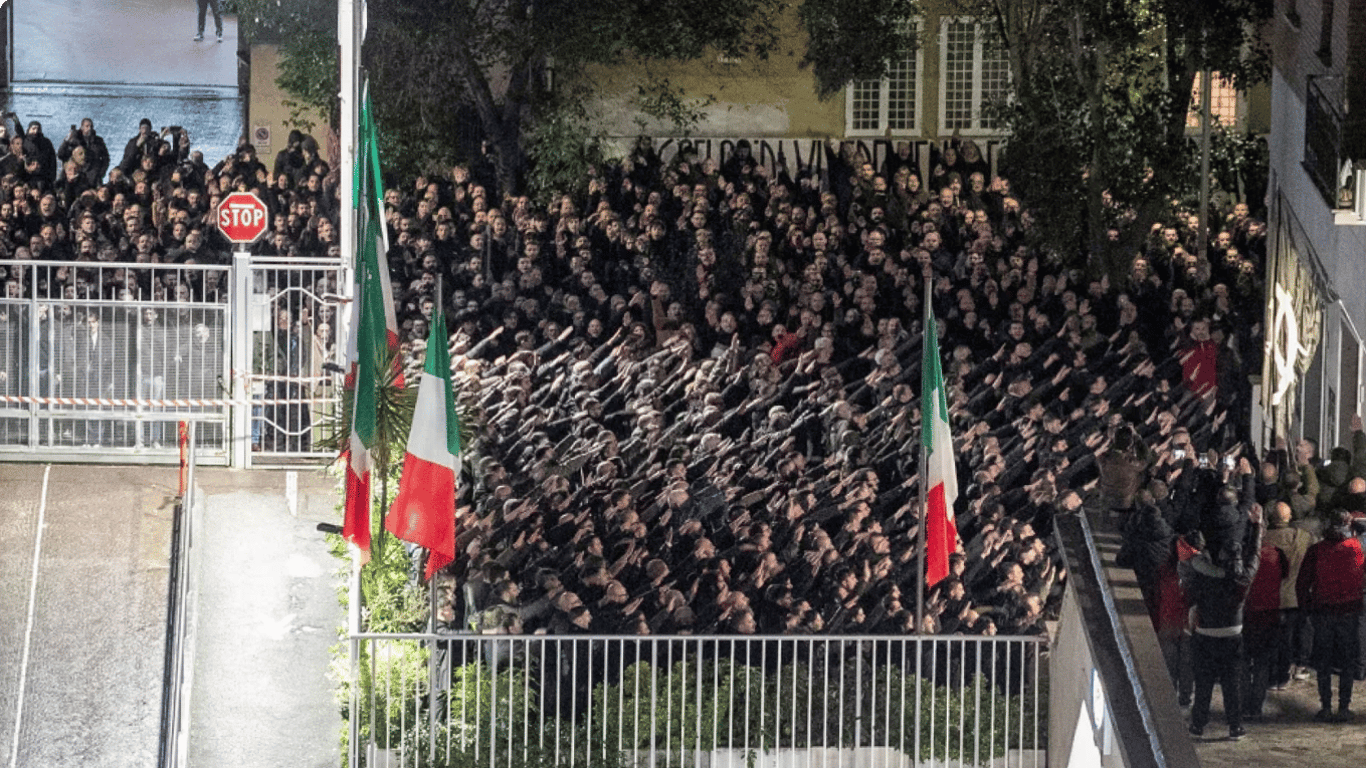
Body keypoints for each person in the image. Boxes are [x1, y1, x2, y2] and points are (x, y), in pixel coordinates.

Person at [1180, 500, 1262, 741]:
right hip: (1232, 633)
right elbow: (1255, 554)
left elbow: (1190, 580)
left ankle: (1197, 724)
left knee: (1203, 683)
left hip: (1205, 632)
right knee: (1231, 683)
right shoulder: (1243, 580)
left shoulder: (1204, 574)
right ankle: (1235, 726)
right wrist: (1257, 527)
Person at [1297, 508, 1365, 722]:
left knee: (1323, 662)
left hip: (1323, 610)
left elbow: (1302, 583)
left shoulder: (1316, 550)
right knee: (1347, 661)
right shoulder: (1358, 547)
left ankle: (1325, 706)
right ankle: (1344, 706)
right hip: (1350, 610)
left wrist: (1305, 608)